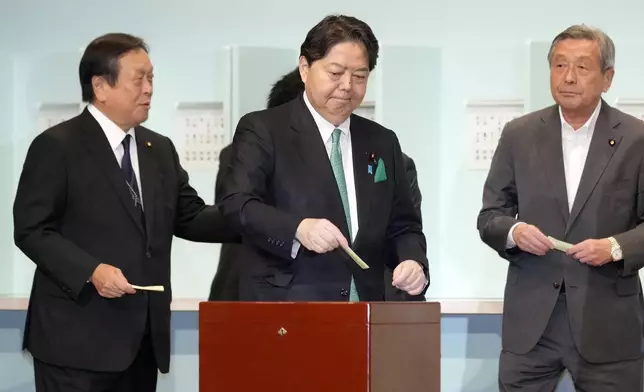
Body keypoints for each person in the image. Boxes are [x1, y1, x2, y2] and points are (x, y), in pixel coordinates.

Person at [13, 33, 236, 392]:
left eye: (152, 79)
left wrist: (256, 217)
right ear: (101, 86)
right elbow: (31, 230)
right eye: (139, 79)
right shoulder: (58, 146)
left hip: (141, 343)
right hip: (75, 344)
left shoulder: (158, 149)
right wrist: (92, 271)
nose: (149, 89)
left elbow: (190, 216)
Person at [477, 24, 644, 391]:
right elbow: (490, 216)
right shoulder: (519, 134)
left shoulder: (637, 138)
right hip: (532, 328)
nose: (568, 77)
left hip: (609, 328)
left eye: (582, 67)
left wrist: (615, 247)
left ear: (607, 77)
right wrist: (514, 232)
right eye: (559, 65)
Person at [218, 14, 429, 302]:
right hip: (287, 307)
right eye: (335, 73)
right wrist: (298, 228)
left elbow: (404, 226)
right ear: (305, 68)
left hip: (365, 309)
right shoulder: (265, 129)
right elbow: (237, 205)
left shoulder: (382, 141)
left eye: (359, 76)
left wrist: (413, 262)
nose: (347, 86)